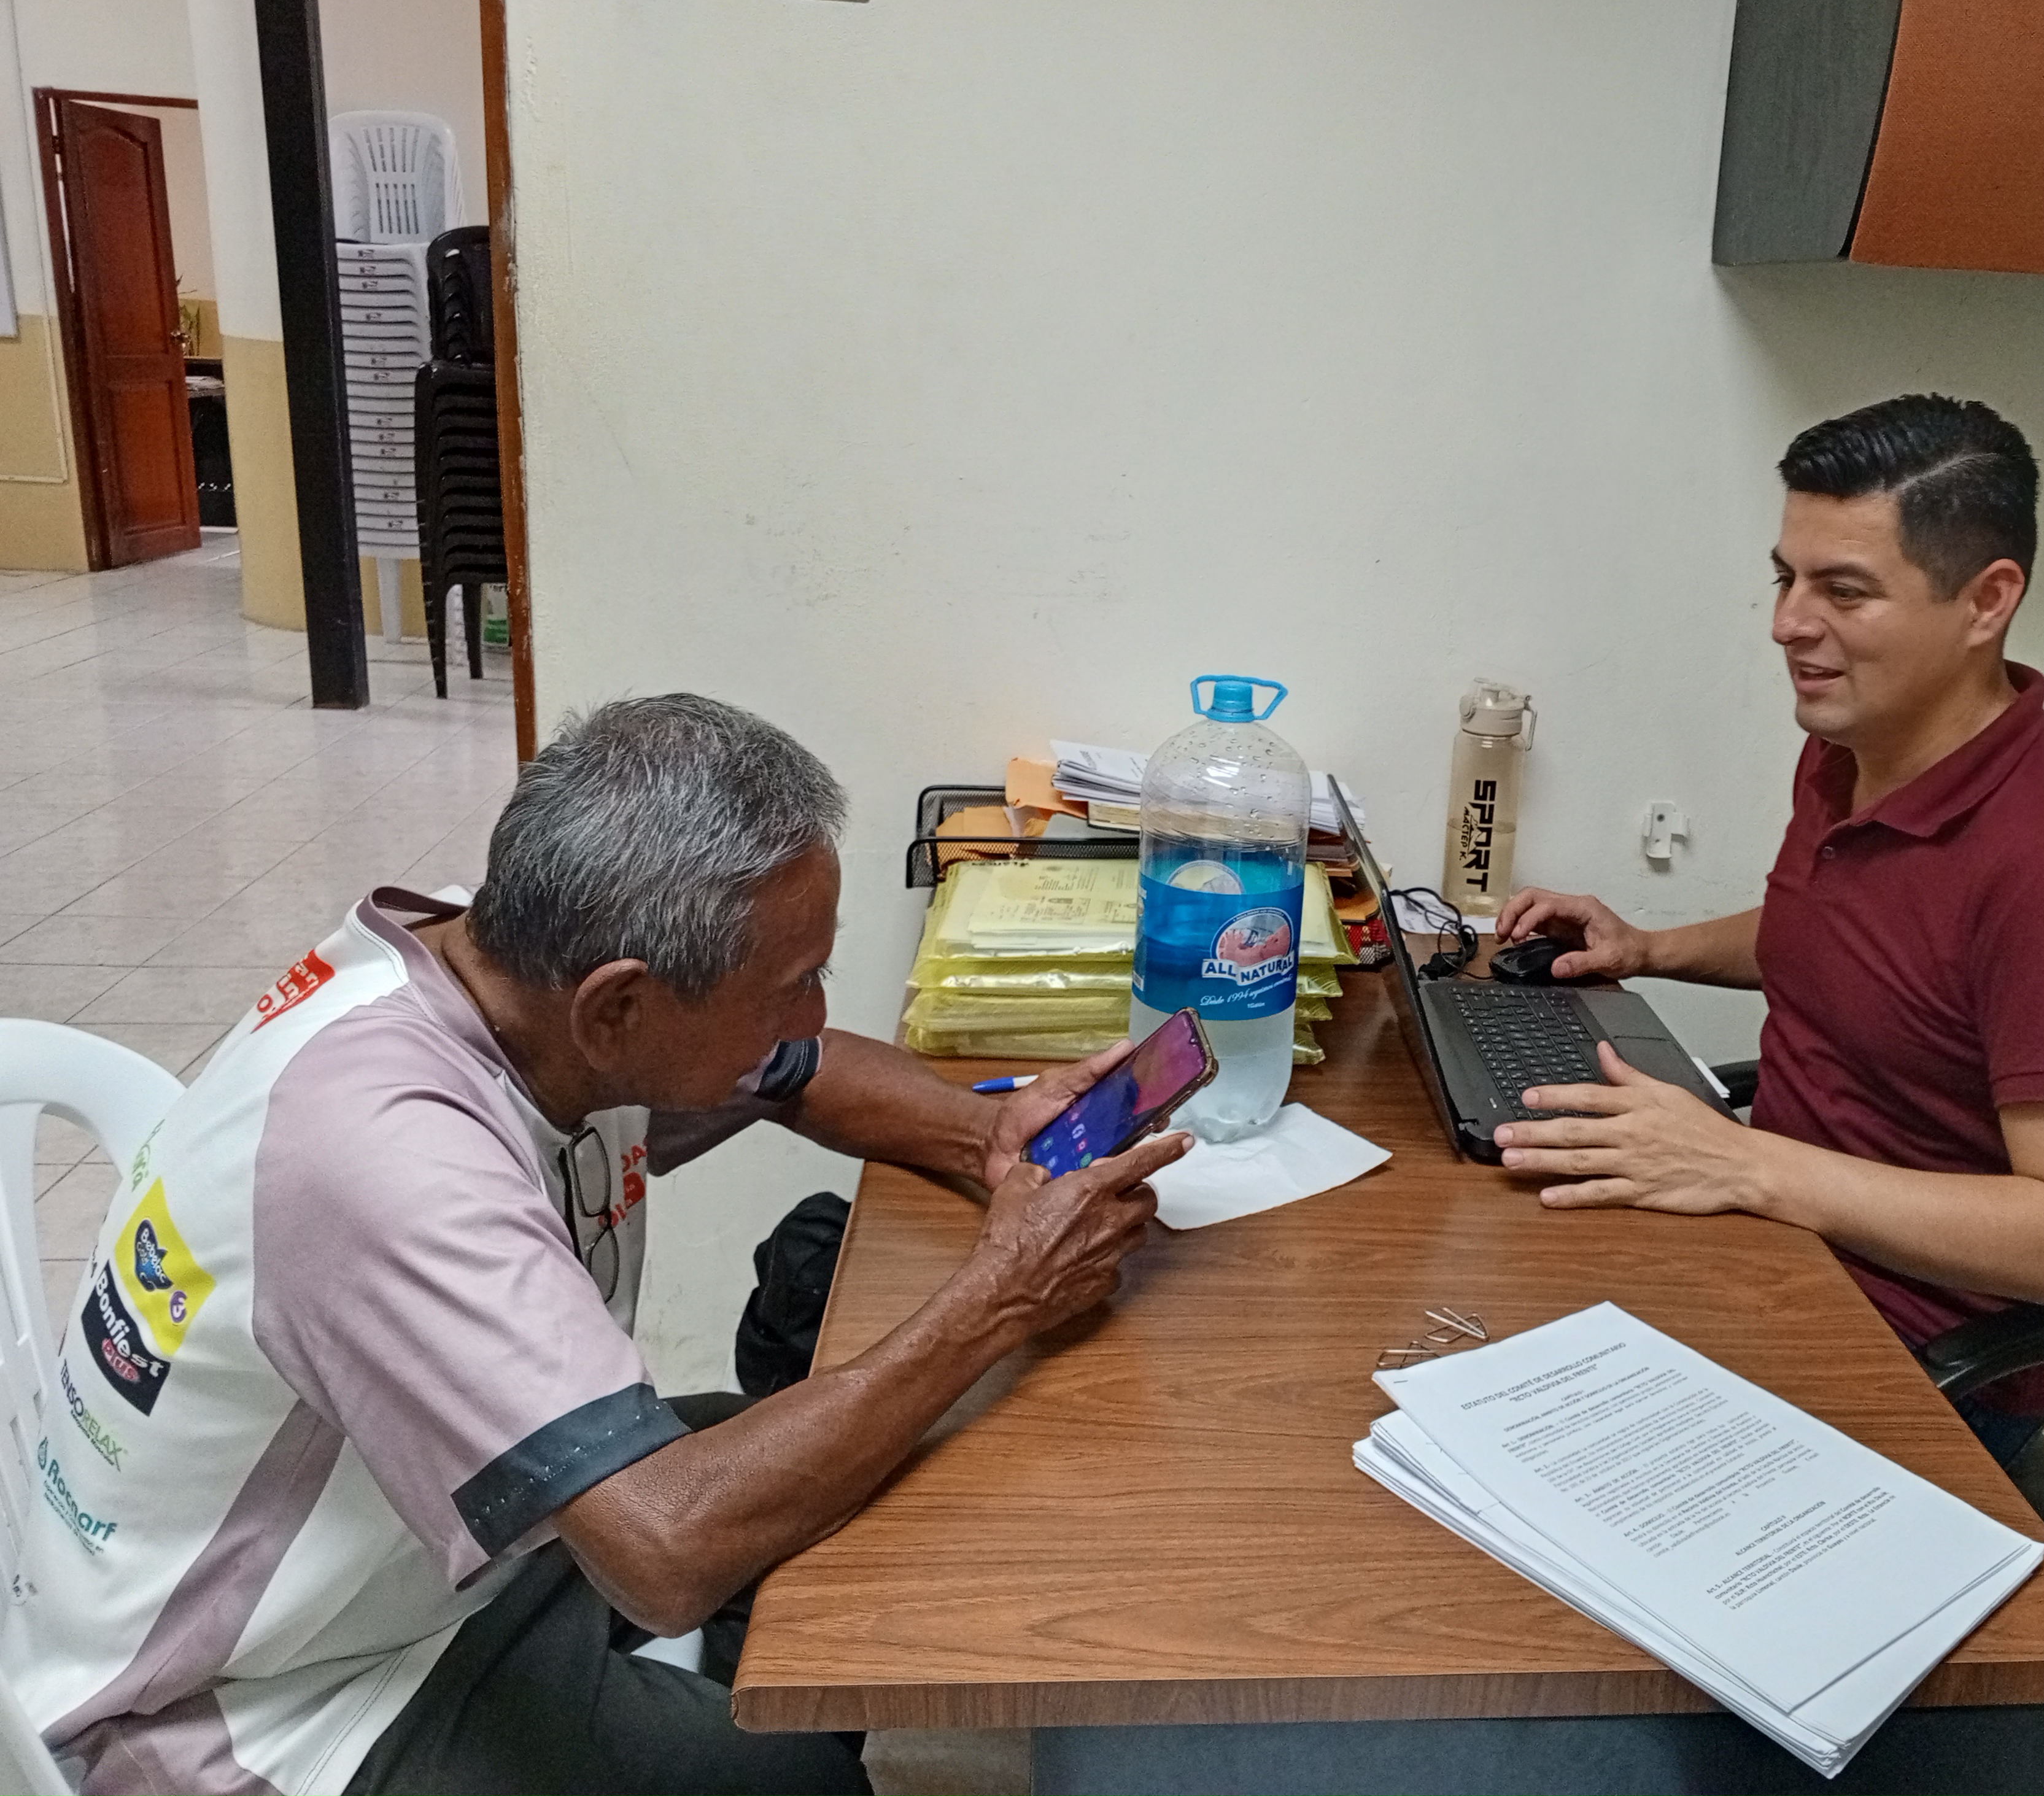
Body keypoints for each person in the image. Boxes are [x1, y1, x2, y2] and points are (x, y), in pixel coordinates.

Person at [6, 694, 1188, 1796]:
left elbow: (803, 1072)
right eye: (794, 983)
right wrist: (1001, 1295)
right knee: (787, 1768)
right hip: (258, 1704)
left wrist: (985, 1133)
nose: (815, 1014)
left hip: (427, 1572)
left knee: (878, 1486)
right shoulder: (385, 1155)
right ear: (618, 1008)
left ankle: (728, 1706)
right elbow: (666, 1551)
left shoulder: (522, 964)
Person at [1495, 394, 2044, 1467]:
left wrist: (1746, 1166)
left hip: (1916, 1347)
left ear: (1987, 601)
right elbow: (1852, 941)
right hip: (1774, 1245)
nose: (1788, 625)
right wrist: (1650, 948)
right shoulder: (1856, 744)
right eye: (1786, 578)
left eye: (1844, 591)